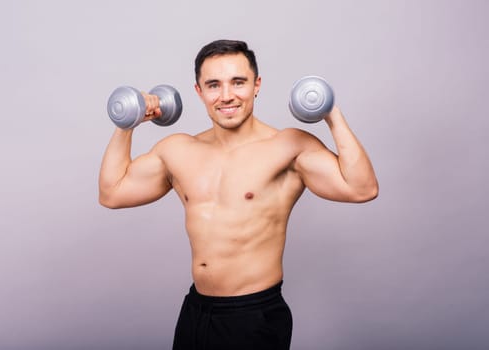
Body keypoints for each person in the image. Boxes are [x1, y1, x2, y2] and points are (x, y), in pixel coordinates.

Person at [98, 39, 378, 350]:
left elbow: (361, 188)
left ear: (257, 85)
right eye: (214, 85)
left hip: (253, 317)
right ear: (199, 92)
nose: (227, 95)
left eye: (238, 82)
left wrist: (330, 113)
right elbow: (112, 193)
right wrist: (129, 122)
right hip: (196, 311)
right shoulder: (177, 150)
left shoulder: (288, 147)